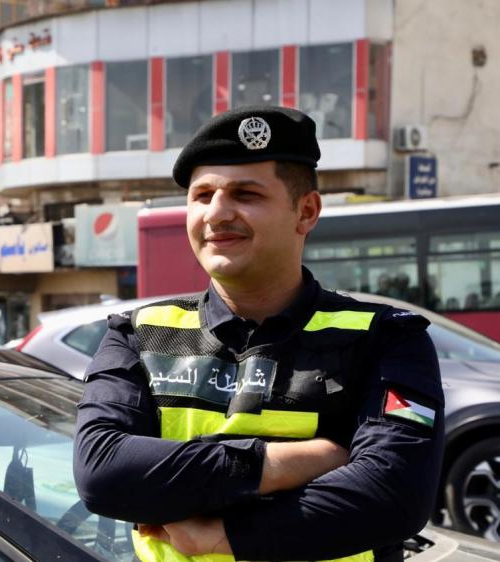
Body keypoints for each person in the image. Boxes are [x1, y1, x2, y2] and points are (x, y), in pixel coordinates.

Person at [74, 106, 444, 562]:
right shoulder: (138, 335)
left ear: (306, 212)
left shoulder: (387, 340)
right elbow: (103, 473)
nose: (216, 213)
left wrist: (221, 535)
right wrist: (284, 463)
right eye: (202, 195)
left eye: (245, 194)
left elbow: (394, 496)